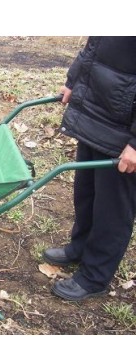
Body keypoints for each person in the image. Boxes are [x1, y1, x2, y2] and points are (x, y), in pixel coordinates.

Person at [43, 36, 136, 301]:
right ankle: (80, 247)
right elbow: (94, 45)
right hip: (97, 110)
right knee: (86, 192)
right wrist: (74, 81)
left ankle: (95, 276)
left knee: (112, 209)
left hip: (124, 130)